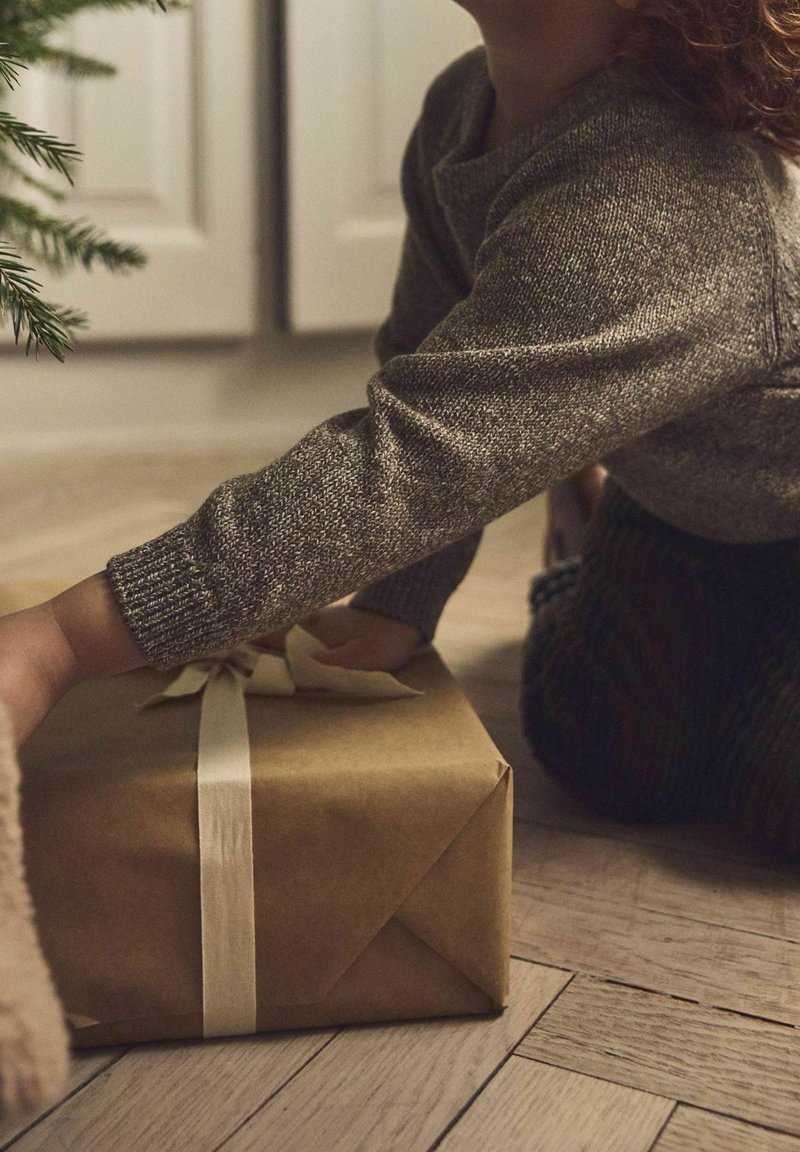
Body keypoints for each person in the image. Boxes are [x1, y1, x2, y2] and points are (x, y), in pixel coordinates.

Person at [1, 0, 799, 862]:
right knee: (608, 757)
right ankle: (590, 521)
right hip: (688, 511)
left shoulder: (658, 192)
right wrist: (401, 601)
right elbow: (430, 377)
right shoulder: (464, 108)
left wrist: (63, 641)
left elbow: (414, 461)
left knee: (779, 798)